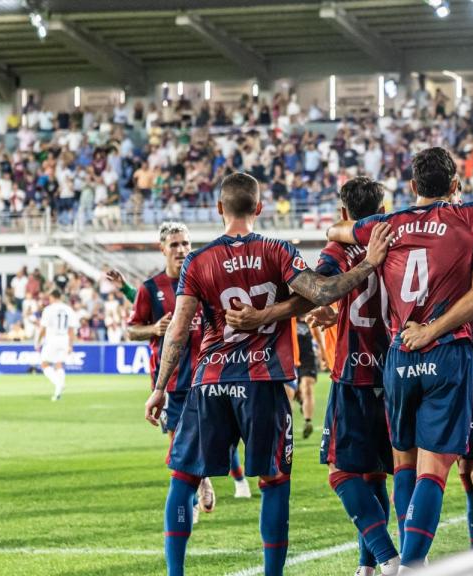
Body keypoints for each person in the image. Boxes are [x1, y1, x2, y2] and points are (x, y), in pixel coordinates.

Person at [144, 172, 393, 576]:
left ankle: (175, 574)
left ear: (219, 208)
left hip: (210, 380)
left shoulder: (198, 260)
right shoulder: (278, 250)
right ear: (259, 208)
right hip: (262, 379)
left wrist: (159, 387)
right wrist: (368, 263)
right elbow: (322, 292)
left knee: (184, 477)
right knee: (274, 481)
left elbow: (178, 327)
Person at [327, 154, 473, 567]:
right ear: (455, 187)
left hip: (400, 354)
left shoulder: (385, 225)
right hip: (446, 351)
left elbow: (333, 229)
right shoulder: (466, 217)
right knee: (435, 467)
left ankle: (407, 562)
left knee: (403, 461)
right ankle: (411, 564)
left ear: (412, 187)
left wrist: (364, 241)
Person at [224, 177, 396, 576]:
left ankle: (388, 559)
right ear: (383, 211)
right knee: (376, 475)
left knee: (341, 473)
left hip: (353, 370)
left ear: (342, 213)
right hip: (393, 372)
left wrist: (322, 305)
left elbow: (318, 287)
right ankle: (366, 566)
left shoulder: (336, 250)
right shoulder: (396, 243)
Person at [113, 222, 252, 513]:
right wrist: (155, 327)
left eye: (186, 244)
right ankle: (197, 486)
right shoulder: (150, 289)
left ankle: (218, 479)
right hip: (172, 381)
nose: (181, 250)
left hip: (208, 374)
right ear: (162, 248)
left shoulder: (206, 281)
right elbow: (132, 330)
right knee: (179, 442)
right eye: (175, 244)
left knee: (219, 437)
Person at [35, 289, 75, 402]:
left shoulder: (48, 309)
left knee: (44, 364)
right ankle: (59, 391)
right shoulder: (68, 309)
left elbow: (43, 328)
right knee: (58, 364)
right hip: (64, 339)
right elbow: (71, 329)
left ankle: (59, 384)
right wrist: (70, 345)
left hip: (52, 339)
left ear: (52, 297)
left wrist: (38, 341)